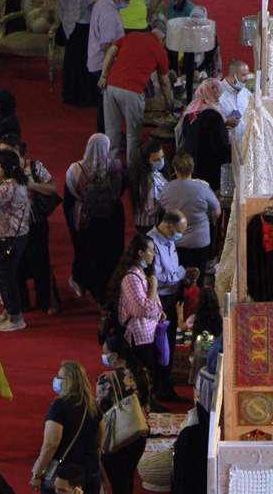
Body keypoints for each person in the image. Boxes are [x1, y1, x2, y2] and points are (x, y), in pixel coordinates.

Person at [25, 361, 103, 494]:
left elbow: (51, 443)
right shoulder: (94, 407)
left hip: (64, 477)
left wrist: (37, 473)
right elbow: (99, 442)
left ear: (68, 381)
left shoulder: (60, 407)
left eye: (60, 377)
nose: (56, 380)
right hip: (89, 474)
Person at [96, 335, 151, 494]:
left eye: (106, 353)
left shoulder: (107, 379)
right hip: (138, 432)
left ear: (116, 356)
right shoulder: (142, 372)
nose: (103, 357)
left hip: (118, 436)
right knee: (127, 478)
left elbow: (100, 410)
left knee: (118, 483)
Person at [0, 135, 62, 315]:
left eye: (9, 151)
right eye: (2, 152)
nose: (6, 156)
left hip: (35, 223)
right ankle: (22, 302)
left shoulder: (34, 167)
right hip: (12, 227)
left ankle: (47, 300)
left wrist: (31, 185)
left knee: (41, 262)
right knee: (16, 264)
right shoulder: (1, 171)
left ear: (19, 150)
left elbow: (52, 188)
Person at [98, 20, 174, 165]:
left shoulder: (131, 36)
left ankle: (109, 169)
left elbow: (112, 50)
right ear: (164, 38)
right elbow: (164, 82)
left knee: (111, 132)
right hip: (133, 91)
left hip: (111, 87)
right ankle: (132, 170)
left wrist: (104, 74)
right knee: (133, 136)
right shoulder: (160, 50)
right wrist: (169, 102)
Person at [65, 134, 126, 304]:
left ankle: (88, 286)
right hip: (111, 219)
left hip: (88, 221)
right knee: (109, 256)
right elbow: (120, 191)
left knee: (90, 255)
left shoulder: (76, 170)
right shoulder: (116, 168)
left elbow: (69, 197)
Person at [0, 149, 31, 332]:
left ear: (2, 168)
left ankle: (16, 317)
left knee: (6, 277)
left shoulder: (8, 186)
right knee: (1, 274)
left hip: (9, 238)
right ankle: (9, 310)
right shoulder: (18, 182)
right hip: (10, 235)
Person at [147, 209, 194, 401]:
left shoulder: (169, 240)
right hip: (160, 300)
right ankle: (158, 388)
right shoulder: (151, 243)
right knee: (160, 346)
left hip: (172, 296)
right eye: (179, 231)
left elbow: (172, 268)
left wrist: (183, 275)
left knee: (169, 345)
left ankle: (166, 385)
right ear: (168, 226)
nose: (180, 235)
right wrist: (180, 274)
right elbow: (156, 276)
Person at [109, 234, 163, 387]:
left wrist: (159, 310)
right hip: (139, 336)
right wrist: (154, 287)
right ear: (140, 253)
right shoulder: (131, 278)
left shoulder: (143, 274)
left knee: (150, 376)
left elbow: (152, 304)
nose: (154, 254)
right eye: (151, 251)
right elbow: (143, 310)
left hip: (149, 333)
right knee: (140, 378)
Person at [159, 151, 220, 269]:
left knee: (177, 276)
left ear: (175, 169)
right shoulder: (203, 188)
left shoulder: (166, 188)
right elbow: (217, 212)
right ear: (192, 168)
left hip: (175, 242)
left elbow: (163, 209)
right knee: (198, 275)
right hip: (199, 241)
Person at [87, 0, 132, 133]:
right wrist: (110, 72)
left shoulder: (102, 2)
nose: (128, 3)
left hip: (96, 60)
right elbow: (106, 47)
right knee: (109, 108)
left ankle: (106, 135)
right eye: (127, 0)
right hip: (103, 65)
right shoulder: (110, 15)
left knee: (105, 105)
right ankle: (108, 136)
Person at [178, 77, 231, 197]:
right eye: (213, 88)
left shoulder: (191, 112)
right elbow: (222, 144)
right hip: (210, 168)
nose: (217, 91)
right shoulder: (215, 115)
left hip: (193, 165)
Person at [58, 0, 97, 107]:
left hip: (69, 25)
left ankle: (71, 95)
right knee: (83, 63)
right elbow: (93, 6)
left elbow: (61, 6)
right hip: (83, 27)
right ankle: (84, 97)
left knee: (71, 63)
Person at [129, 140, 166, 235]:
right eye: (156, 160)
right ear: (146, 161)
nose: (161, 162)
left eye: (162, 157)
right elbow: (151, 210)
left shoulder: (154, 171)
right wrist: (168, 202)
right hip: (149, 225)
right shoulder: (147, 180)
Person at [218, 60, 251, 145]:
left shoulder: (246, 93)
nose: (247, 78)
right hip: (224, 146)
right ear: (233, 76)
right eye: (243, 75)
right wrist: (225, 123)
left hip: (244, 146)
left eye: (247, 74)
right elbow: (208, 125)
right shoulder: (217, 93)